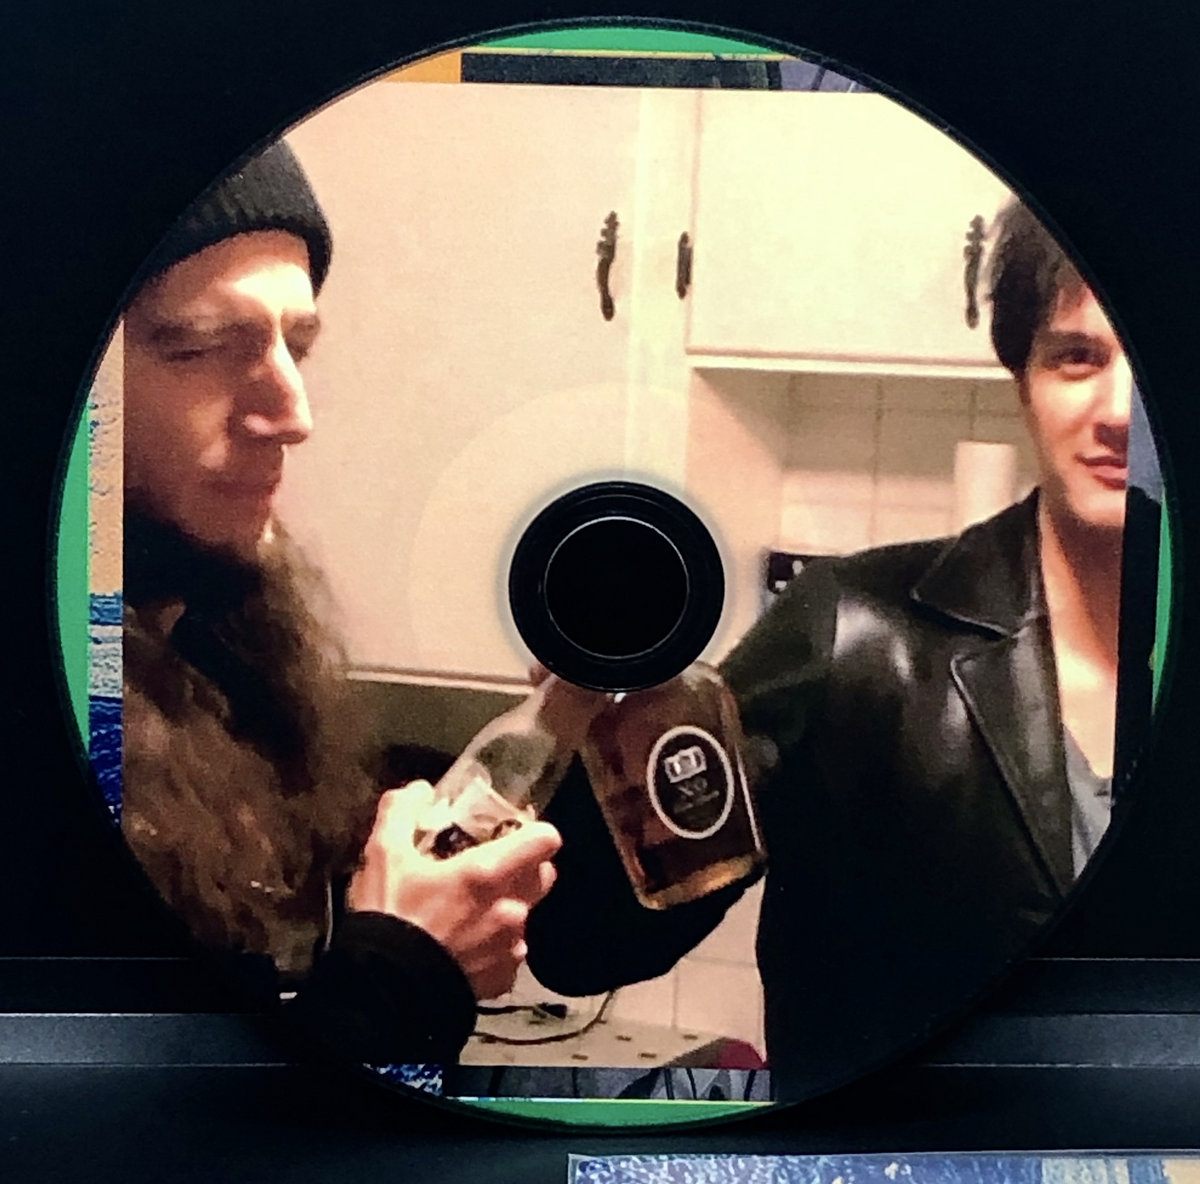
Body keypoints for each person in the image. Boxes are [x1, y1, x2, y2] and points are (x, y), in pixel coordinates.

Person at [525, 197, 1157, 1102]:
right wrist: (597, 729)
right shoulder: (850, 633)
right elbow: (583, 945)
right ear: (1022, 378)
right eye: (1077, 358)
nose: (1121, 411)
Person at [117, 140, 562, 1066]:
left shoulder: (216, 647)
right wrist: (401, 975)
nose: (293, 413)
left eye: (299, 346)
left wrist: (575, 716)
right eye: (203, 346)